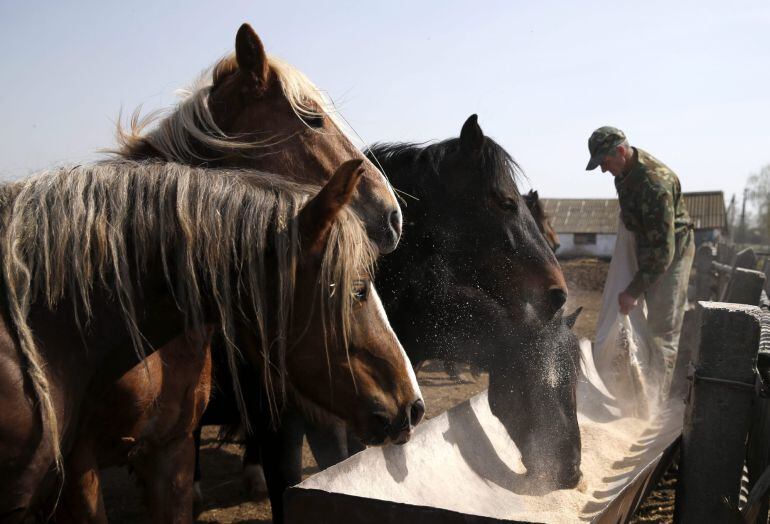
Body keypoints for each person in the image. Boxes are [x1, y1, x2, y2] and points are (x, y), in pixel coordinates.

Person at [585, 126, 694, 392]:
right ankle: (632, 386)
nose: (603, 169)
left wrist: (633, 290)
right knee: (626, 318)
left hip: (672, 250)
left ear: (621, 151)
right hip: (645, 243)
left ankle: (654, 402)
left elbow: (663, 253)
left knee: (662, 328)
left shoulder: (655, 185)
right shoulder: (622, 174)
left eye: (605, 162)